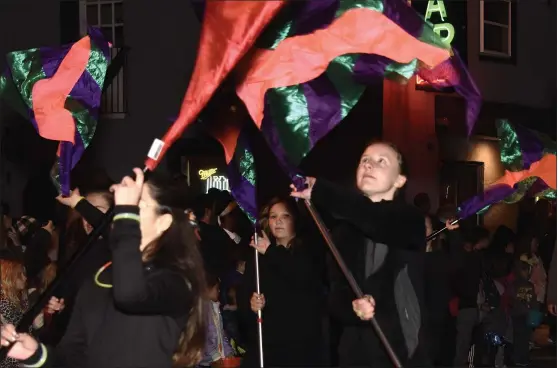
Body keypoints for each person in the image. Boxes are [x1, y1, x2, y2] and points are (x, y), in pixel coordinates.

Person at [1, 169, 206, 368]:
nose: (121, 212)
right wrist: (36, 355)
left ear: (164, 222)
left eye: (137, 206)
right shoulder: (99, 278)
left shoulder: (175, 281)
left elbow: (130, 294)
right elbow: (72, 357)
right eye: (121, 206)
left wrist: (126, 213)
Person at [290, 141, 423, 367]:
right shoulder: (342, 233)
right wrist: (353, 307)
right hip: (355, 354)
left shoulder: (410, 220)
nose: (369, 165)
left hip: (403, 351)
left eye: (382, 161)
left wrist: (322, 191)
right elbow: (335, 295)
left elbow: (376, 220)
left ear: (399, 180)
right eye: (364, 160)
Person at [238, 198, 325, 367]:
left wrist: (270, 251)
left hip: (299, 346)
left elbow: (302, 277)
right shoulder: (257, 258)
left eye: (285, 216)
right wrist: (252, 304)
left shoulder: (308, 250)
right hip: (267, 344)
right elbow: (244, 296)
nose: (278, 221)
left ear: (295, 220)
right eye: (273, 216)